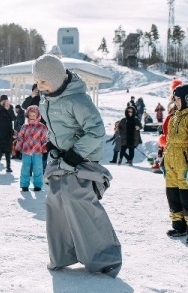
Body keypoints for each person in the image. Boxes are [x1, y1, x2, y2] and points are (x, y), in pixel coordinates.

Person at [32, 54, 122, 278]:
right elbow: (56, 127)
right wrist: (53, 144)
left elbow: (96, 131)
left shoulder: (78, 100)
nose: (39, 86)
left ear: (56, 77)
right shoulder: (47, 98)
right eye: (37, 81)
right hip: (60, 159)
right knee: (56, 203)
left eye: (43, 81)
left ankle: (105, 258)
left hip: (81, 160)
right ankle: (63, 255)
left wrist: (75, 154)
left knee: (78, 201)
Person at [162, 84, 188, 242]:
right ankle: (179, 225)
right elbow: (169, 141)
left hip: (184, 163)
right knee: (173, 195)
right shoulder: (175, 117)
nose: (176, 102)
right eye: (175, 99)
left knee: (187, 197)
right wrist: (164, 159)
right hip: (171, 162)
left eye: (179, 99)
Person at [15, 105, 47, 191]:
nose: (32, 117)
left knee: (38, 168)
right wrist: (18, 148)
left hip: (37, 151)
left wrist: (45, 150)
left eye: (34, 115)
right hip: (26, 151)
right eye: (30, 115)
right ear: (27, 116)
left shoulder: (42, 127)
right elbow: (20, 137)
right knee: (25, 168)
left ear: (37, 115)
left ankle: (38, 185)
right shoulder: (25, 126)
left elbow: (44, 139)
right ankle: (24, 185)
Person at [0, 94, 16, 173]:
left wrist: (8, 109)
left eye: (6, 100)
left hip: (8, 132)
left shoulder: (10, 107)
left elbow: (13, 118)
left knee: (8, 151)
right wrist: (0, 105)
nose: (5, 102)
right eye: (3, 100)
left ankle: (8, 167)